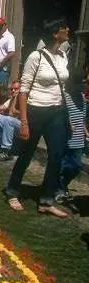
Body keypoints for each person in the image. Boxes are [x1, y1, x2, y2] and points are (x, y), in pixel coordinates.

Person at [5, 19, 70, 217]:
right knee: (27, 153)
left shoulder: (63, 56)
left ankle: (46, 200)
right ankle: (12, 191)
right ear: (54, 33)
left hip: (57, 111)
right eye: (64, 29)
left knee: (57, 154)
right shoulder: (36, 56)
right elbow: (23, 90)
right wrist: (24, 121)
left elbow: (63, 86)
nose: (68, 31)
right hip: (36, 111)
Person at [56, 69, 88, 204]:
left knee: (75, 166)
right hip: (65, 138)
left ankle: (62, 184)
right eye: (80, 84)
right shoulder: (64, 96)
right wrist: (68, 123)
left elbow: (82, 118)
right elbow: (61, 113)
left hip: (79, 139)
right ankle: (59, 190)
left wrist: (86, 132)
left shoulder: (82, 98)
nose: (83, 86)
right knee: (61, 165)